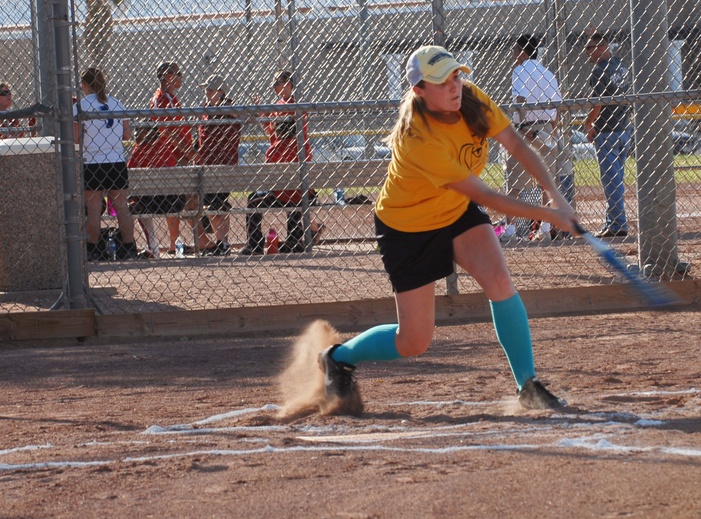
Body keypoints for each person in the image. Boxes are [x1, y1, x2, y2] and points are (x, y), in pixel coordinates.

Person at [315, 45, 581, 415]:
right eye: (443, 82)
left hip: (455, 213)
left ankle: (528, 385)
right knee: (414, 342)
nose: (455, 86)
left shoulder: (469, 99)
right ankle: (338, 357)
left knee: (499, 281)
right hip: (408, 228)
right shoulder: (419, 138)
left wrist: (555, 196)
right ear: (419, 91)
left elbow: (516, 144)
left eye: (457, 75)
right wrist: (549, 214)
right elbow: (486, 194)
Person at [242, 71, 324, 254]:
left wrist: (267, 116)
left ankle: (256, 245)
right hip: (292, 183)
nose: (274, 87)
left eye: (277, 83)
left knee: (254, 201)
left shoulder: (294, 107)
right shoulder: (281, 106)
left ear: (288, 84)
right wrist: (263, 115)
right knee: (291, 191)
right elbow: (274, 133)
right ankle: (295, 241)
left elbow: (281, 135)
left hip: (290, 184)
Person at [506, 34, 574, 239]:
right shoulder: (547, 73)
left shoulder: (520, 70)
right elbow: (558, 106)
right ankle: (544, 229)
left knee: (515, 182)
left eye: (515, 51)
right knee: (547, 183)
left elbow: (520, 99)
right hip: (547, 128)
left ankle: (509, 229)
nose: (514, 55)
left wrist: (521, 126)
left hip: (525, 128)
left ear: (523, 52)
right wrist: (552, 131)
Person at [74, 67, 138, 261]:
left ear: (85, 85)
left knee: (93, 208)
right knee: (121, 205)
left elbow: (76, 139)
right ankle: (129, 246)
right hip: (116, 160)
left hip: (93, 161)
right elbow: (127, 135)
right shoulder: (117, 103)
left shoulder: (81, 106)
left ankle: (93, 249)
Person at [583, 32, 633, 239]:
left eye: (589, 48)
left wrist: (588, 123)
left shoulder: (598, 71)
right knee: (616, 178)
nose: (586, 53)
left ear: (601, 48)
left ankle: (618, 224)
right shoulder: (619, 64)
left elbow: (598, 103)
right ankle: (612, 222)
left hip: (607, 131)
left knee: (611, 180)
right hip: (624, 128)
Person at [149, 61, 195, 253]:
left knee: (188, 197)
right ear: (168, 76)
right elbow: (167, 132)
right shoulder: (162, 99)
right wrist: (189, 151)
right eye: (178, 74)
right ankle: (177, 242)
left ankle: (182, 241)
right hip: (173, 156)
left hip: (179, 154)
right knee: (182, 197)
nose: (181, 77)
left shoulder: (171, 98)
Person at [194, 74, 241, 256]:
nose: (207, 92)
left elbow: (240, 114)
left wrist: (223, 105)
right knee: (211, 204)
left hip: (224, 164)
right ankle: (222, 243)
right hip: (207, 163)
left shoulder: (228, 106)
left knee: (216, 204)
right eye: (207, 89)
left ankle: (223, 243)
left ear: (221, 92)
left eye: (211, 89)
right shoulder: (206, 108)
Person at [127, 125, 186, 258]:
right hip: (175, 202)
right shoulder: (165, 147)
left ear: (151, 134)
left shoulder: (139, 150)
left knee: (135, 204)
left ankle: (152, 247)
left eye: (140, 130)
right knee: (139, 200)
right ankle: (174, 246)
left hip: (151, 203)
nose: (136, 133)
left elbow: (128, 176)